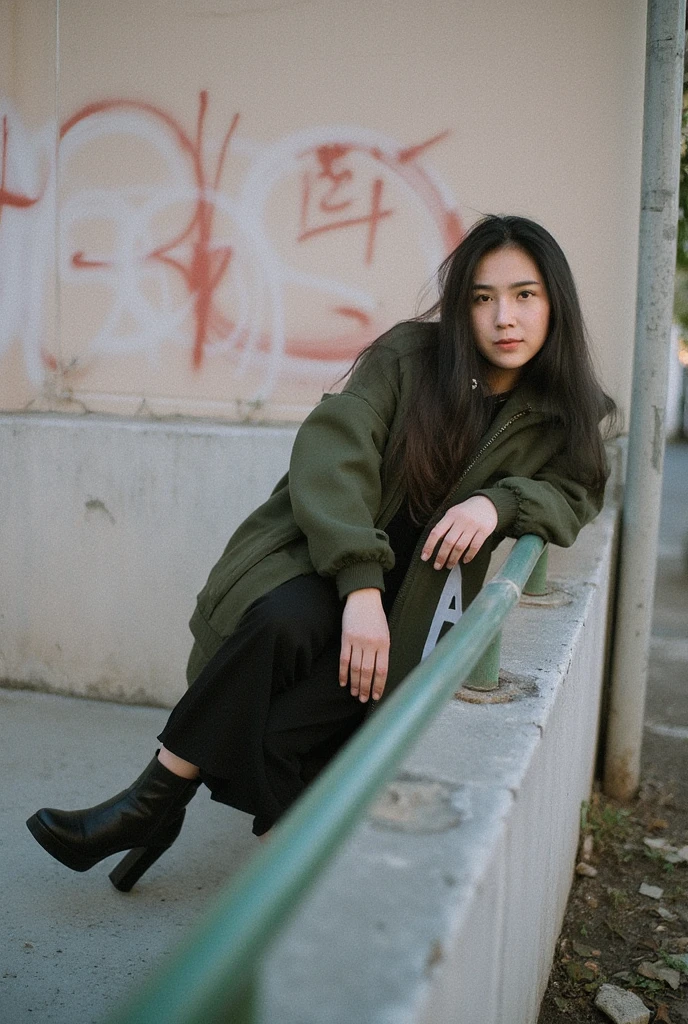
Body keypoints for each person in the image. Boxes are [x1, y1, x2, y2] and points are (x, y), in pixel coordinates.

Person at [26, 214, 616, 891]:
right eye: (482, 298)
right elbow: (334, 448)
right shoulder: (411, 358)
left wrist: (500, 503)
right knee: (283, 619)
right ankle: (158, 809)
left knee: (285, 732)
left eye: (524, 295)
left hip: (412, 609)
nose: (503, 317)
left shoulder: (566, 412)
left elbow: (577, 494)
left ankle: (159, 809)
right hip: (329, 557)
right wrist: (360, 586)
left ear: (555, 301)